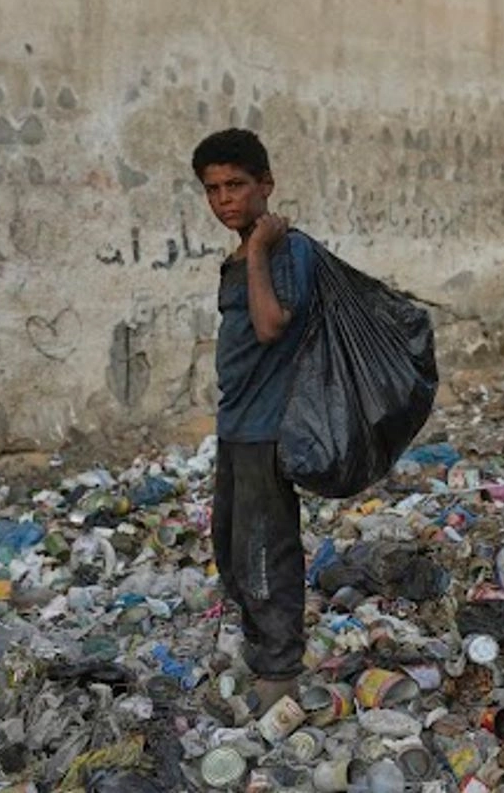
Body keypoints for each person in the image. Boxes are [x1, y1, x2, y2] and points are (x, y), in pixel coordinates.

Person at [192, 128, 315, 714]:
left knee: (267, 551)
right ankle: (261, 648)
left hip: (269, 426)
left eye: (236, 185)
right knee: (232, 547)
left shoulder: (286, 251)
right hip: (236, 424)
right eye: (212, 189)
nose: (224, 200)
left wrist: (263, 248)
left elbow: (271, 326)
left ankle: (280, 671)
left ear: (266, 185)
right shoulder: (240, 253)